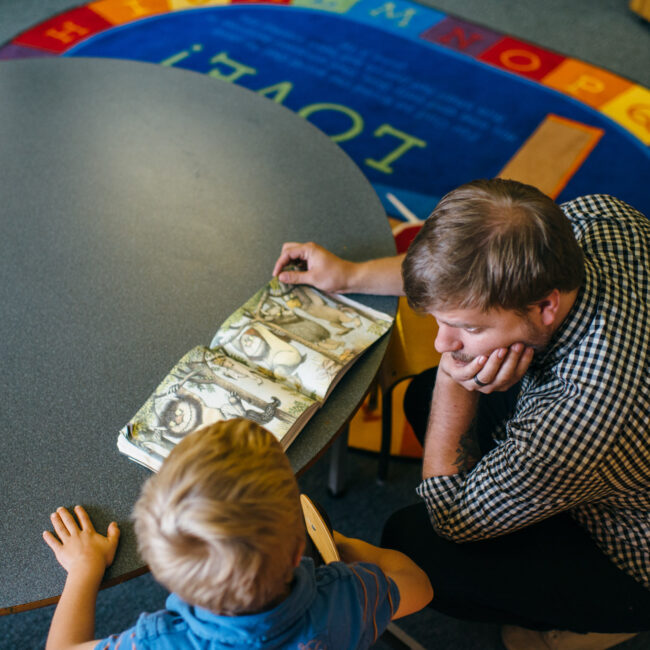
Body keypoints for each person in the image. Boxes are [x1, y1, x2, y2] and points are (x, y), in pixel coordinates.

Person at [273, 179, 650, 650]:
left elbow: (450, 518)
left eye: (469, 328)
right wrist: (348, 275)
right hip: (620, 441)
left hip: (632, 549)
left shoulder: (579, 416)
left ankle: (605, 625)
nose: (441, 344)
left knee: (416, 544)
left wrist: (454, 380)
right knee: (423, 396)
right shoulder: (597, 218)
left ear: (545, 305)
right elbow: (464, 282)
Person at [42, 418, 433, 650]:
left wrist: (84, 568)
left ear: (163, 571)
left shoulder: (158, 641)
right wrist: (340, 546)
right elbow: (418, 585)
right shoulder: (344, 597)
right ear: (299, 549)